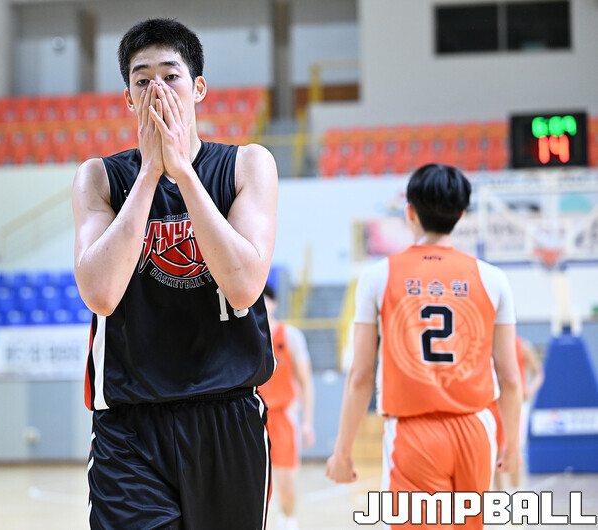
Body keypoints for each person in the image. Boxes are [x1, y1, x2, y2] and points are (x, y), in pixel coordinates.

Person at [72, 18, 278, 529]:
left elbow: (244, 286)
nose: (157, 91)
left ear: (198, 88)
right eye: (142, 81)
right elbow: (99, 293)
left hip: (226, 413)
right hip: (130, 423)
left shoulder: (247, 165)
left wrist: (182, 172)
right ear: (128, 98)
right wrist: (150, 173)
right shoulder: (99, 177)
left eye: (170, 76)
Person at [326, 164, 522, 529]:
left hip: (413, 434)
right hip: (476, 428)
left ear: (410, 211)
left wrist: (342, 451)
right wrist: (511, 443)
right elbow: (510, 376)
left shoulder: (376, 276)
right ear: (461, 215)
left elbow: (361, 375)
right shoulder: (493, 279)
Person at [259, 284, 315, 530]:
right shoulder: (247, 336)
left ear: (275, 304)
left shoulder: (291, 336)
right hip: (254, 417)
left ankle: (288, 522)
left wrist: (307, 423)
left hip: (284, 416)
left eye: (265, 300)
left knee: (287, 482)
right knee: (253, 481)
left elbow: (306, 382)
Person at [493, 336, 545, 491]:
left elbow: (539, 373)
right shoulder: (490, 343)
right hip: (493, 403)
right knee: (496, 451)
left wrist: (530, 389)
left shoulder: (523, 346)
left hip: (516, 403)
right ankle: (499, 494)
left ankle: (515, 491)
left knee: (513, 450)